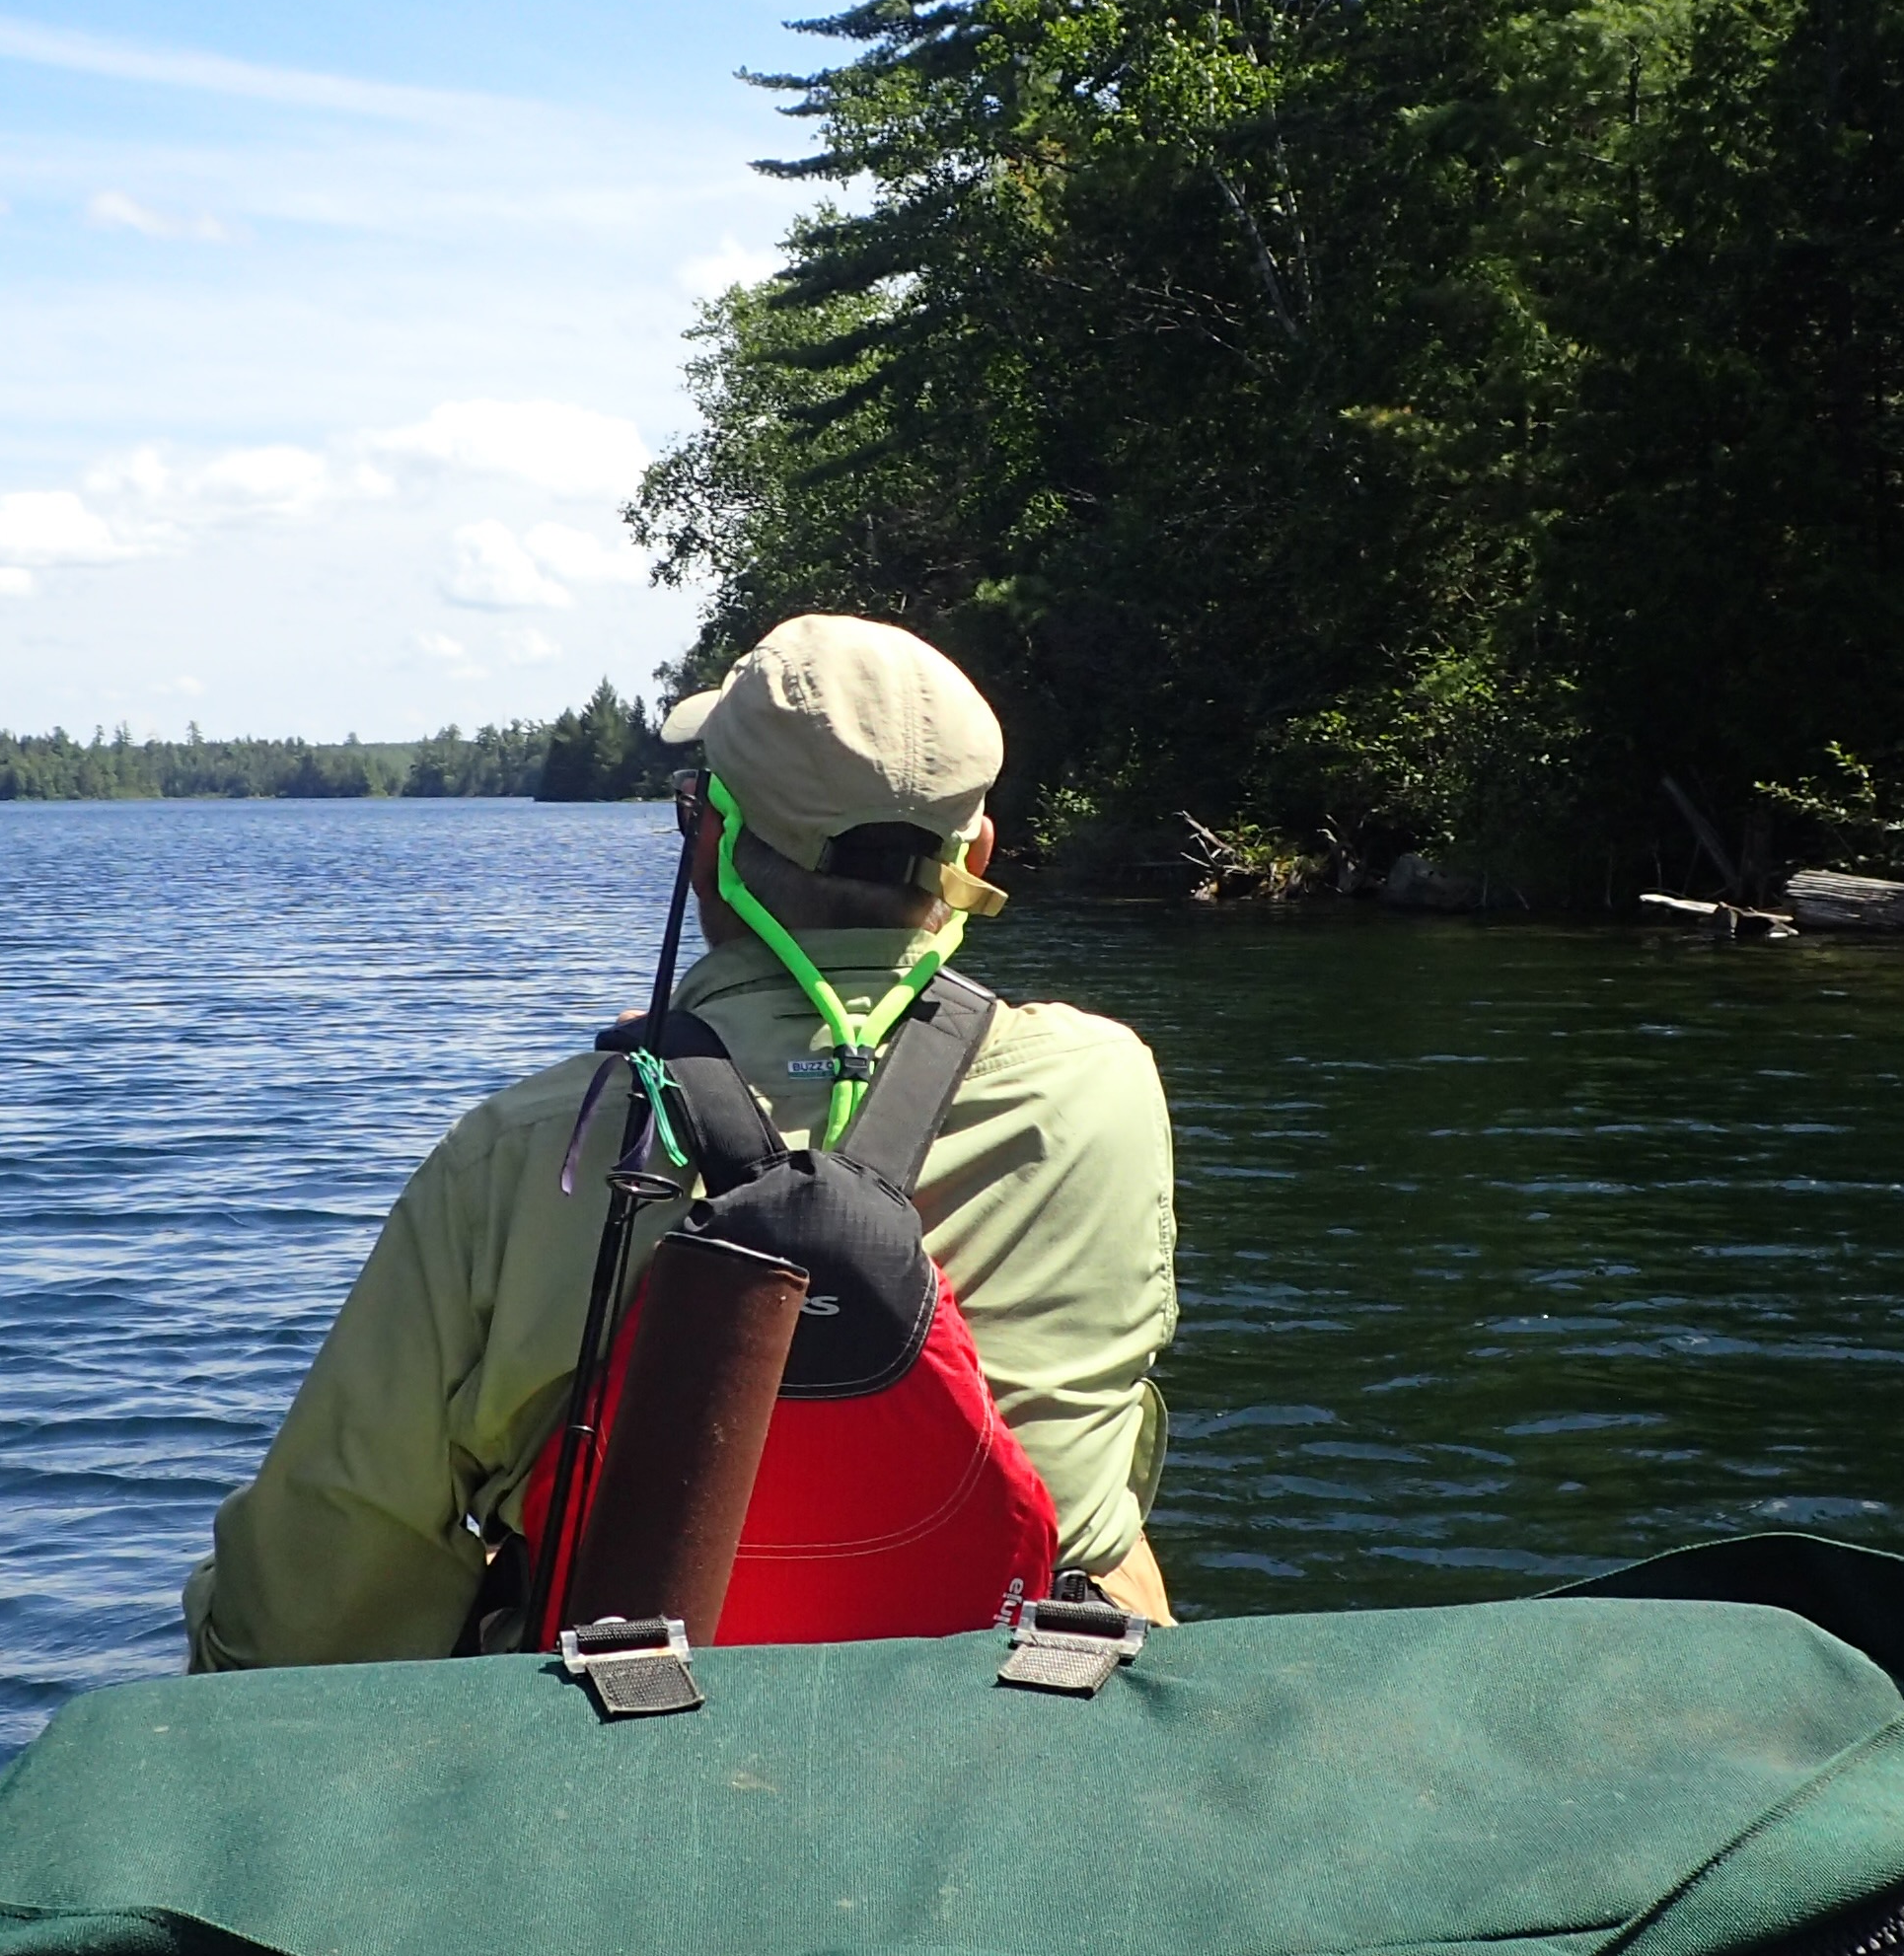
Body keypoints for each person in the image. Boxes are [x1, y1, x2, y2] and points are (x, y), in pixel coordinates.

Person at [183, 615, 1178, 1670]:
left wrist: (219, 1623)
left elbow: (319, 1605)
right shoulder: (1102, 1086)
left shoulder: (522, 1144)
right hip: (1008, 1706)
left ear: (708, 842)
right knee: (1112, 1541)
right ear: (973, 855)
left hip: (635, 1731)